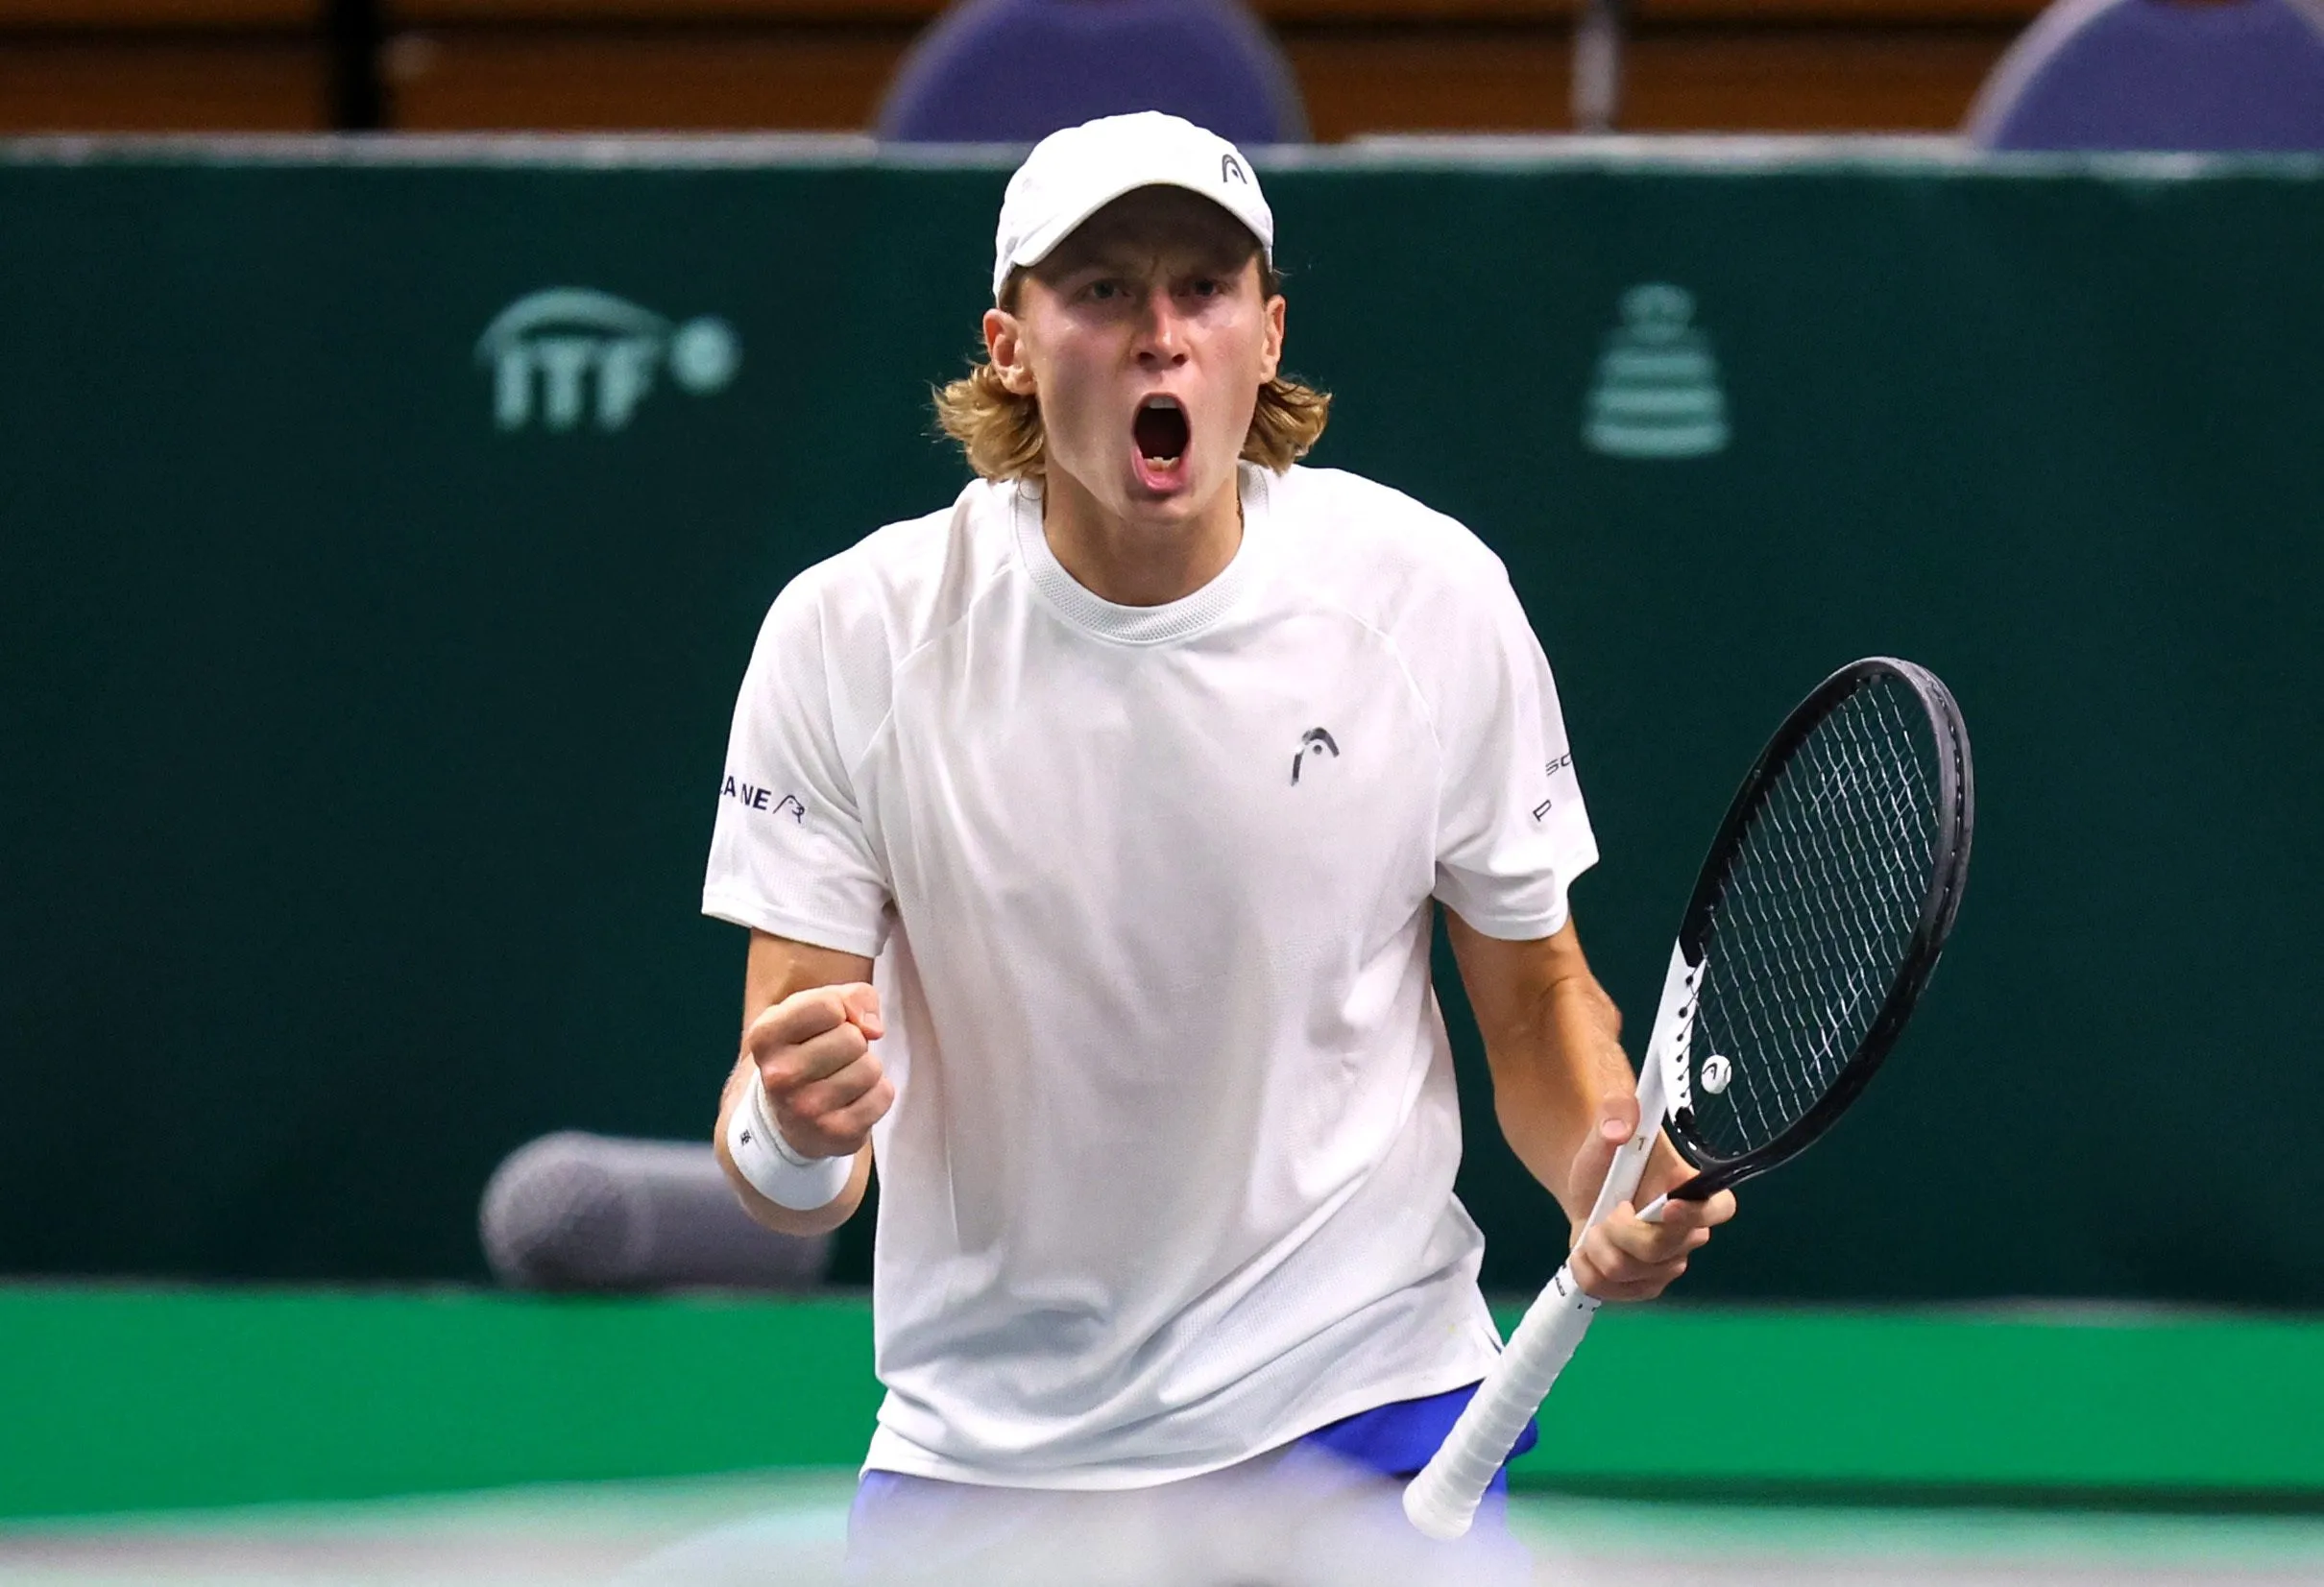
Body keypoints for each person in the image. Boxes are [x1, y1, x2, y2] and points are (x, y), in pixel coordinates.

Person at [701, 110, 1735, 1585]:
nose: (1160, 335)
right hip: (992, 1454)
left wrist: (1598, 1173)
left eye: (1204, 289)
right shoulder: (850, 639)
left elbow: (1534, 1002)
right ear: (1010, 344)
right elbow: (780, 1141)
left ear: (1268, 337)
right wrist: (797, 1129)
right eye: (1103, 291)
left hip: (1367, 1407)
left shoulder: (1427, 598)